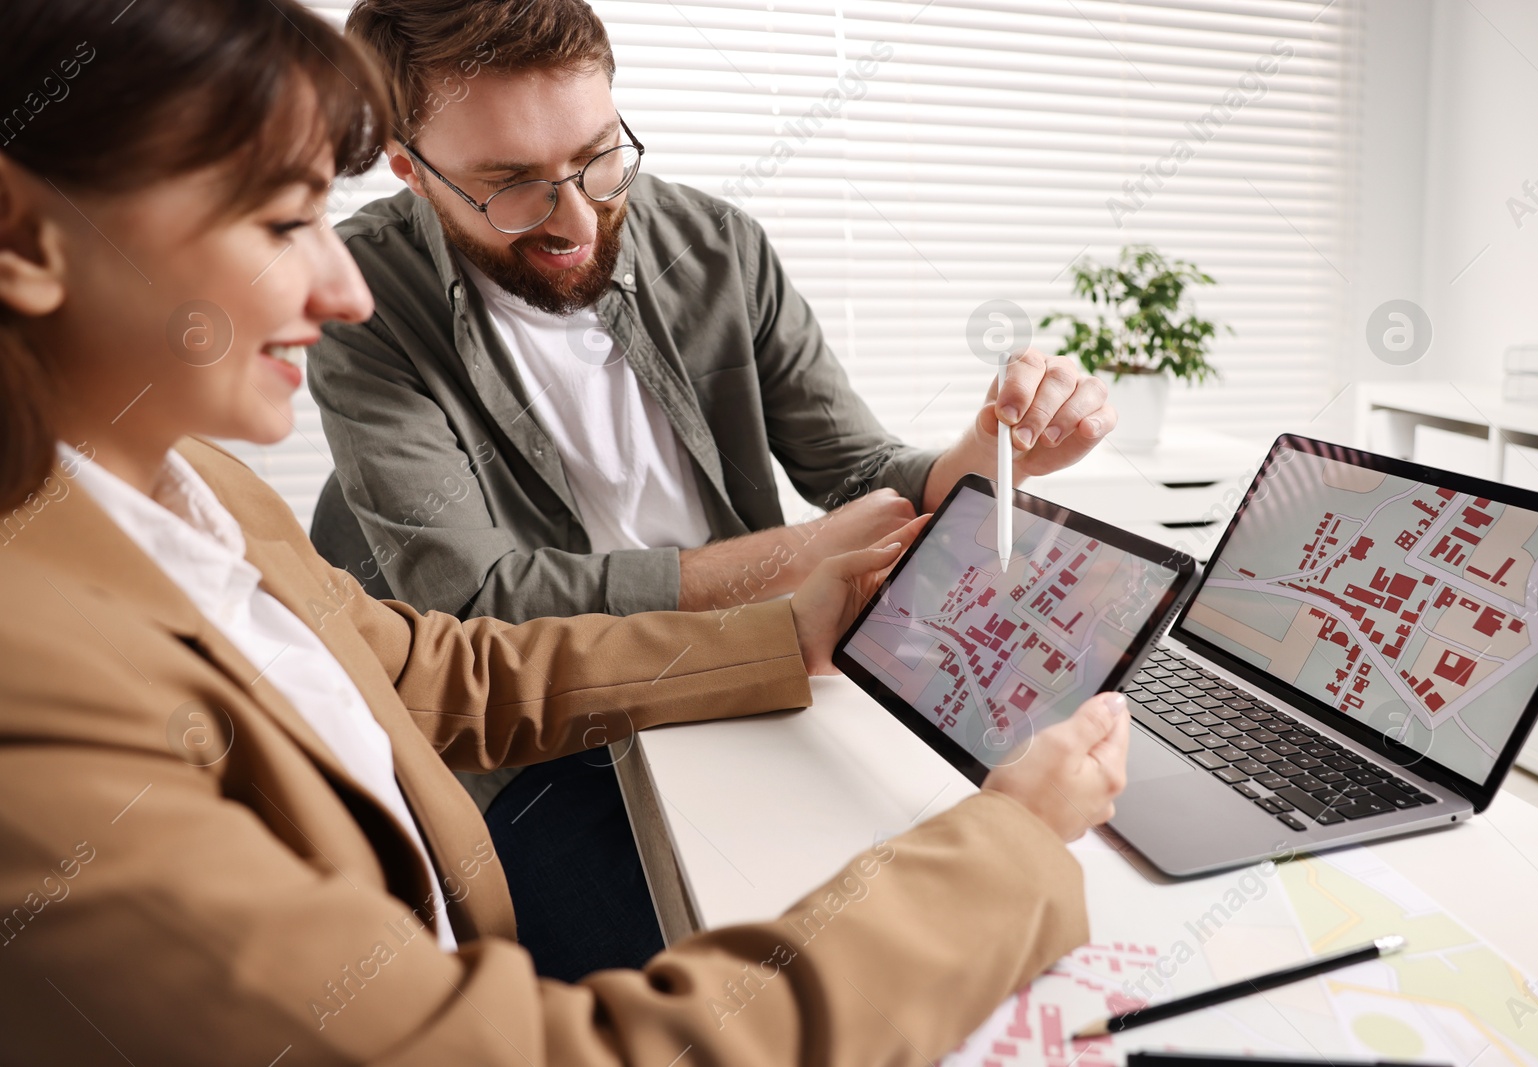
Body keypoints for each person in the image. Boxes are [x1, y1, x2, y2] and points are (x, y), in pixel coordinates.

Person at [0, 1, 1132, 1063]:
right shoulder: (36, 680)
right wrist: (1006, 853)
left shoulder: (191, 482)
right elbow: (481, 610)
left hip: (669, 712)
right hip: (535, 790)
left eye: (598, 158)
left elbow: (425, 667)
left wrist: (920, 514)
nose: (341, 289)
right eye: (285, 220)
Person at [306, 0, 1120, 975]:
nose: (576, 216)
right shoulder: (357, 296)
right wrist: (787, 558)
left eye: (598, 156)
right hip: (544, 734)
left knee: (957, 899)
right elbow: (474, 605)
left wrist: (986, 453)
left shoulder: (716, 244)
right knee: (716, 978)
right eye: (510, 185)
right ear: (408, 168)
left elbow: (859, 472)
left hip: (761, 666)